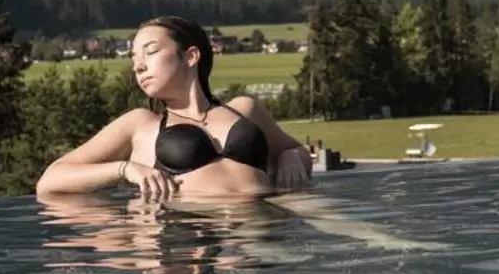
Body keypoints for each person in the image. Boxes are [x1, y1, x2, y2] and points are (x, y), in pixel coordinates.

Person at [35, 16, 313, 201]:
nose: (138, 65)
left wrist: (291, 154)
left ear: (190, 56)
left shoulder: (244, 110)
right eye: (134, 58)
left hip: (265, 229)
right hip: (184, 244)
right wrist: (125, 169)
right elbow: (50, 180)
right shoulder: (140, 125)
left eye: (151, 51)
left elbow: (302, 154)